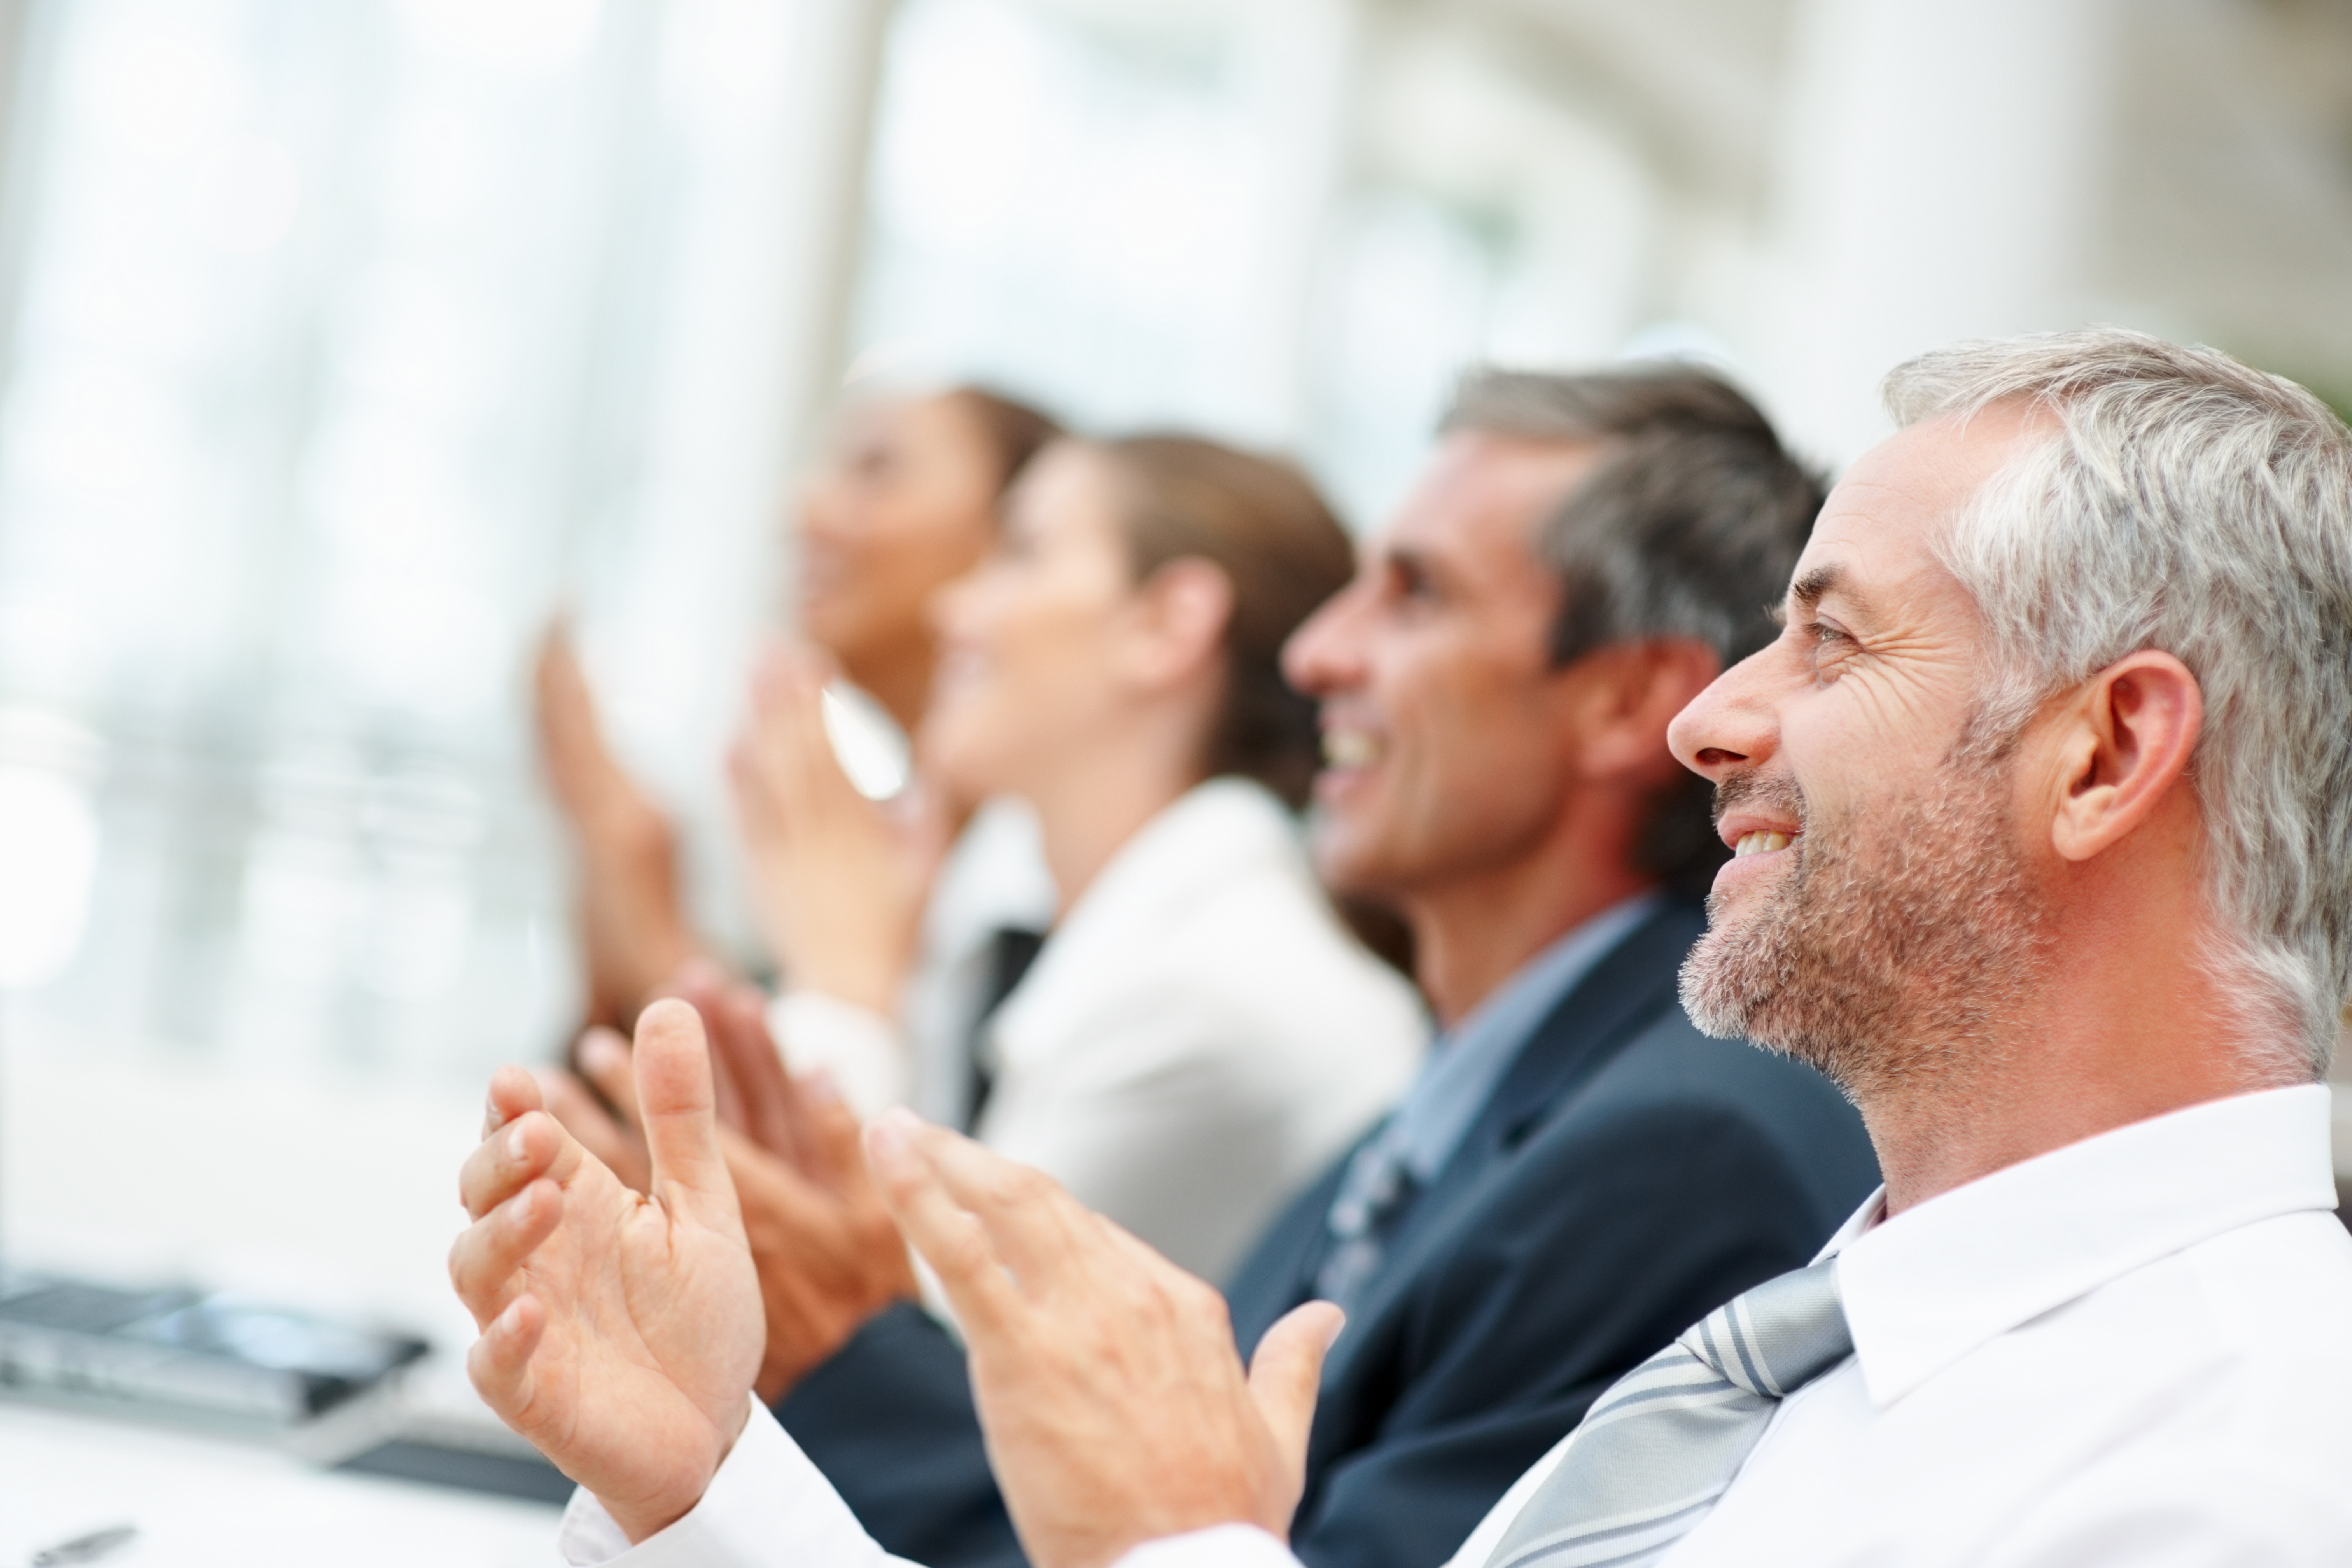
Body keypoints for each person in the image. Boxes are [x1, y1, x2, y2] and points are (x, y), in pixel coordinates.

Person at [449, 326, 2352, 1568]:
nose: (1718, 724)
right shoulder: (1807, 1357)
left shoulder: (2248, 1473)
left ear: (2105, 753)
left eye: (1831, 645)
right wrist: (703, 1482)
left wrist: (1184, 1549)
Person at [741, 369, 1874, 1568]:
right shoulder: (1452, 1114)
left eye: (1415, 596)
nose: (1321, 654)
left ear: (1629, 699)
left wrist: (849, 1349)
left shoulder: (1681, 1156)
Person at [556, 433, 1425, 1312]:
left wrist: (847, 985)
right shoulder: (1136, 944)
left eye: (1021, 555)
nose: (952, 611)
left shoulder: (1207, 1000)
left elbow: (879, 1359)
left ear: (1166, 625)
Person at [534, 382, 1062, 1122]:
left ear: (1017, 535)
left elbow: (823, 1192)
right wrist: (615, 866)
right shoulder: (876, 845)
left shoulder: (1037, 895)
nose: (806, 511)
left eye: (876, 471)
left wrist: (655, 927)